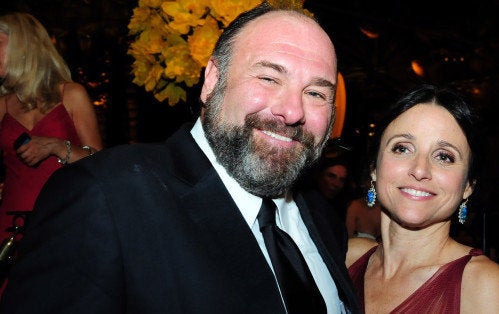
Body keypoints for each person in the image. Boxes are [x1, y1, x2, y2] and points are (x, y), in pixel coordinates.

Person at [0, 3, 360, 313]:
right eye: (268, 77)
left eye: (315, 93)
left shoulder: (324, 221)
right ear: (211, 80)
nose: (293, 110)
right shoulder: (105, 198)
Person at [345, 84, 499, 313]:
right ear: (374, 168)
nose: (420, 169)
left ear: (467, 186)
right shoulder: (347, 256)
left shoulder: (479, 284)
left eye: (444, 156)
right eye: (402, 149)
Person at [0, 12, 103, 239]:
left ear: (22, 47)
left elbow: (99, 162)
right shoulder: (2, 104)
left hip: (67, 214)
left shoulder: (71, 94)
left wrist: (57, 147)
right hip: (13, 221)